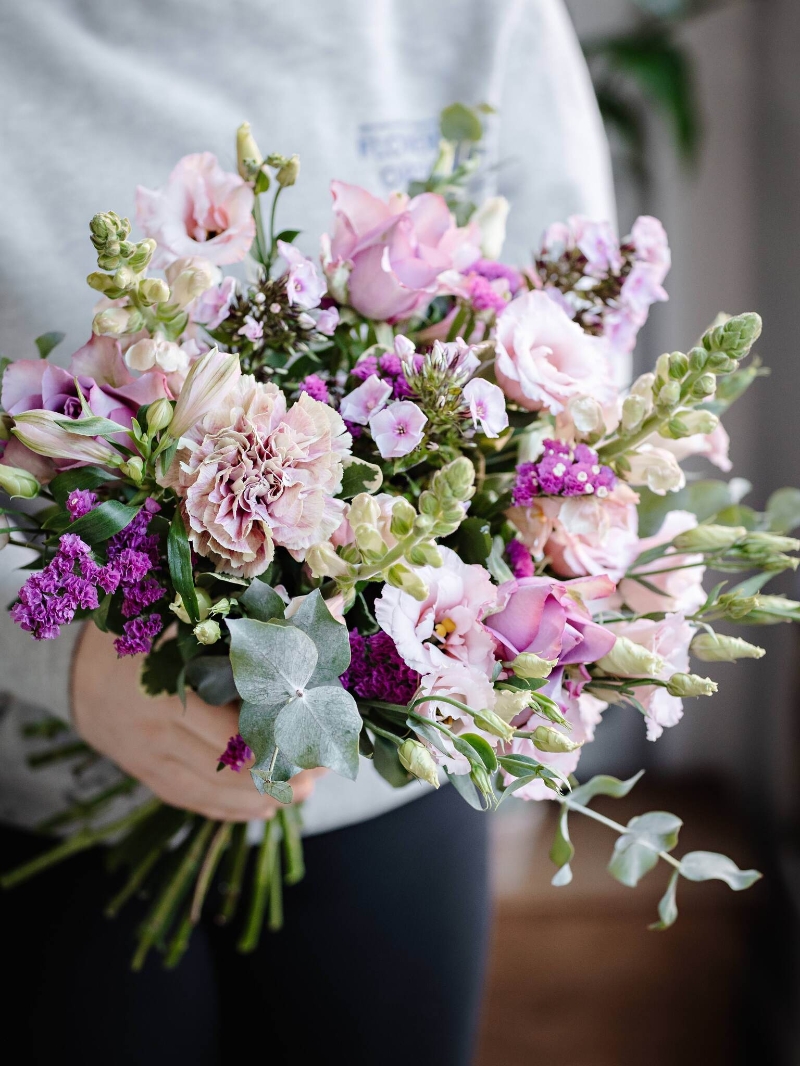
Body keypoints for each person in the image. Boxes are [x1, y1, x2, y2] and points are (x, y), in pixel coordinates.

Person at [0, 1, 615, 1062]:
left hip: (379, 798)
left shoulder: (481, 19)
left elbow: (589, 368)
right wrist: (55, 657)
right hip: (39, 816)